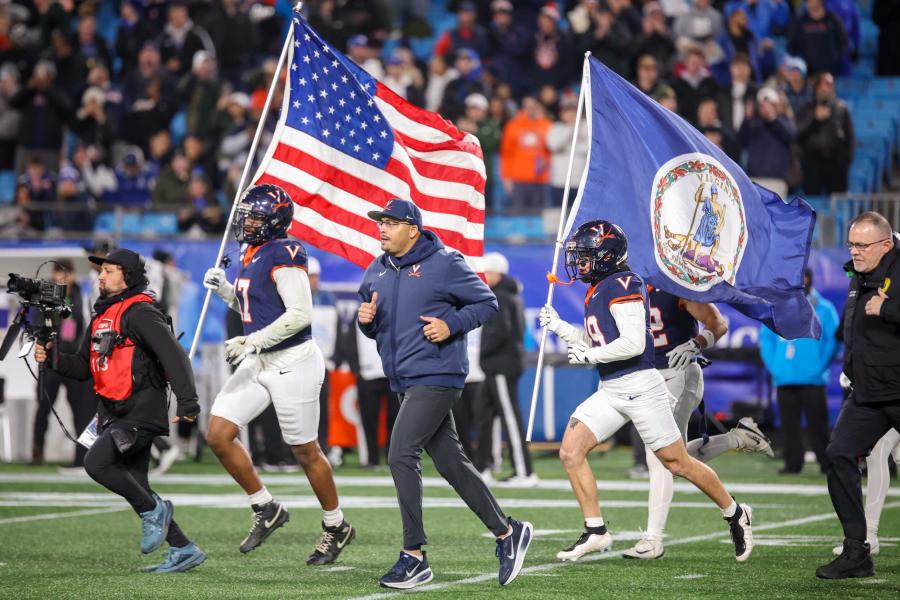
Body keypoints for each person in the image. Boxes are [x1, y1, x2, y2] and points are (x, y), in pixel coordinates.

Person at [539, 220, 754, 563]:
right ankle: (596, 530)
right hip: (613, 388)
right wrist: (561, 328)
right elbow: (595, 340)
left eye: (585, 257)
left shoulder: (624, 283)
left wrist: (589, 355)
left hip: (641, 387)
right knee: (570, 451)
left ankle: (734, 512)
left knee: (676, 461)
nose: (579, 264)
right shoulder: (600, 286)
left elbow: (632, 343)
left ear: (606, 257)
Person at [357, 198, 533, 589]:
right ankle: (508, 532)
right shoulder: (377, 269)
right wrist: (365, 321)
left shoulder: (445, 262)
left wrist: (451, 324)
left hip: (437, 374)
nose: (382, 228)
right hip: (403, 379)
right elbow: (376, 321)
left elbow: (486, 303)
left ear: (412, 229)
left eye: (391, 222)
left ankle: (414, 555)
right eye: (380, 222)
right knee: (451, 462)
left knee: (401, 452)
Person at [202, 184, 355, 565]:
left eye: (254, 217)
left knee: (304, 450)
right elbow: (256, 307)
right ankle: (265, 507)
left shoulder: (286, 252)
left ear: (274, 222)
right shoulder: (250, 252)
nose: (246, 222)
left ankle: (336, 525)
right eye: (246, 216)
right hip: (261, 360)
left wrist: (252, 342)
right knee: (219, 435)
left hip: (293, 361)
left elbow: (299, 314)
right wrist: (225, 291)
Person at [34, 248, 205, 573]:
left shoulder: (140, 312)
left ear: (127, 275)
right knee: (138, 487)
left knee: (96, 463)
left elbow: (174, 355)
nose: (100, 276)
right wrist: (54, 356)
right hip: (114, 411)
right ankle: (184, 548)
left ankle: (157, 511)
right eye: (101, 271)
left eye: (109, 270)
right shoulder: (102, 315)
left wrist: (188, 402)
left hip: (141, 409)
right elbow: (83, 367)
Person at [624, 287, 774, 559]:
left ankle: (653, 538)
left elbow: (718, 323)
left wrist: (696, 343)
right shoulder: (627, 286)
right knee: (673, 458)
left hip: (679, 374)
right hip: (648, 378)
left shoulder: (675, 285)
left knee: (659, 457)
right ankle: (736, 439)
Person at [817, 211, 900, 579]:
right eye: (851, 243)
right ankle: (857, 550)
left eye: (862, 245)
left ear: (886, 244)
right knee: (838, 454)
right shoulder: (860, 272)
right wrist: (850, 369)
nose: (854, 251)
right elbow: (855, 326)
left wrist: (890, 309)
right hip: (869, 391)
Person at [759, 268, 839, 474]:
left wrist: (819, 365)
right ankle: (793, 463)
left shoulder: (824, 308)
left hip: (813, 378)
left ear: (809, 279)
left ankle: (825, 462)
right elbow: (766, 339)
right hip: (784, 377)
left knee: (818, 425)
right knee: (789, 425)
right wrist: (775, 367)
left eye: (803, 278)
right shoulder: (777, 308)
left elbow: (834, 339)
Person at [476, 252, 536, 486]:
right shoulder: (508, 295)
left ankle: (525, 472)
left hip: (501, 365)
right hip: (496, 365)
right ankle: (484, 467)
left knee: (510, 418)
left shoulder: (501, 297)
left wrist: (480, 353)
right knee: (485, 416)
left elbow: (500, 332)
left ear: (495, 273)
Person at [30, 259, 95, 473]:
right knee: (43, 407)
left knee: (81, 410)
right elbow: (37, 323)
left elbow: (85, 325)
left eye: (66, 273)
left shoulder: (81, 295)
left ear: (73, 275)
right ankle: (37, 451)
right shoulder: (45, 295)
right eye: (58, 273)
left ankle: (82, 456)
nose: (62, 278)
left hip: (73, 360)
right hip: (50, 360)